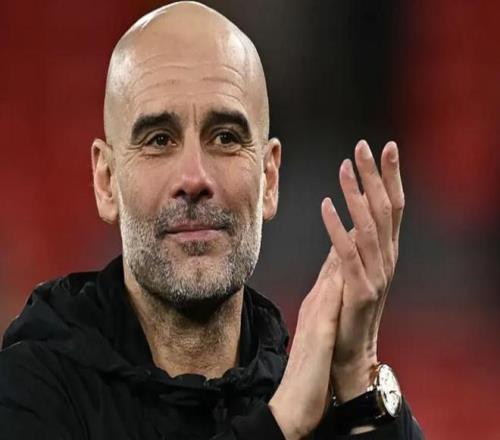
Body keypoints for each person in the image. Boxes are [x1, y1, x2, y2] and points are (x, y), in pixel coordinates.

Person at [0, 2, 423, 439]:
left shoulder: (311, 397)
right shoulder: (29, 391)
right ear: (106, 182)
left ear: (269, 178)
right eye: (159, 140)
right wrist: (279, 426)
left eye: (225, 137)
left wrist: (357, 375)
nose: (194, 178)